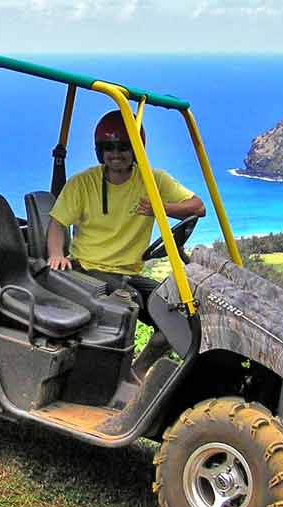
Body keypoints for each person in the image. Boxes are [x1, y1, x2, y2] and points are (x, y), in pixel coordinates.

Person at [47, 110, 206, 380]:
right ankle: (106, 380)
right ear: (100, 151)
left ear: (136, 148)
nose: (116, 153)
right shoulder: (83, 183)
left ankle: (138, 370)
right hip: (88, 268)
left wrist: (161, 207)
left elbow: (198, 207)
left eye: (123, 146)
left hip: (129, 273)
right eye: (108, 147)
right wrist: (56, 254)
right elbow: (57, 224)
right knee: (127, 303)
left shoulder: (153, 180)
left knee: (177, 317)